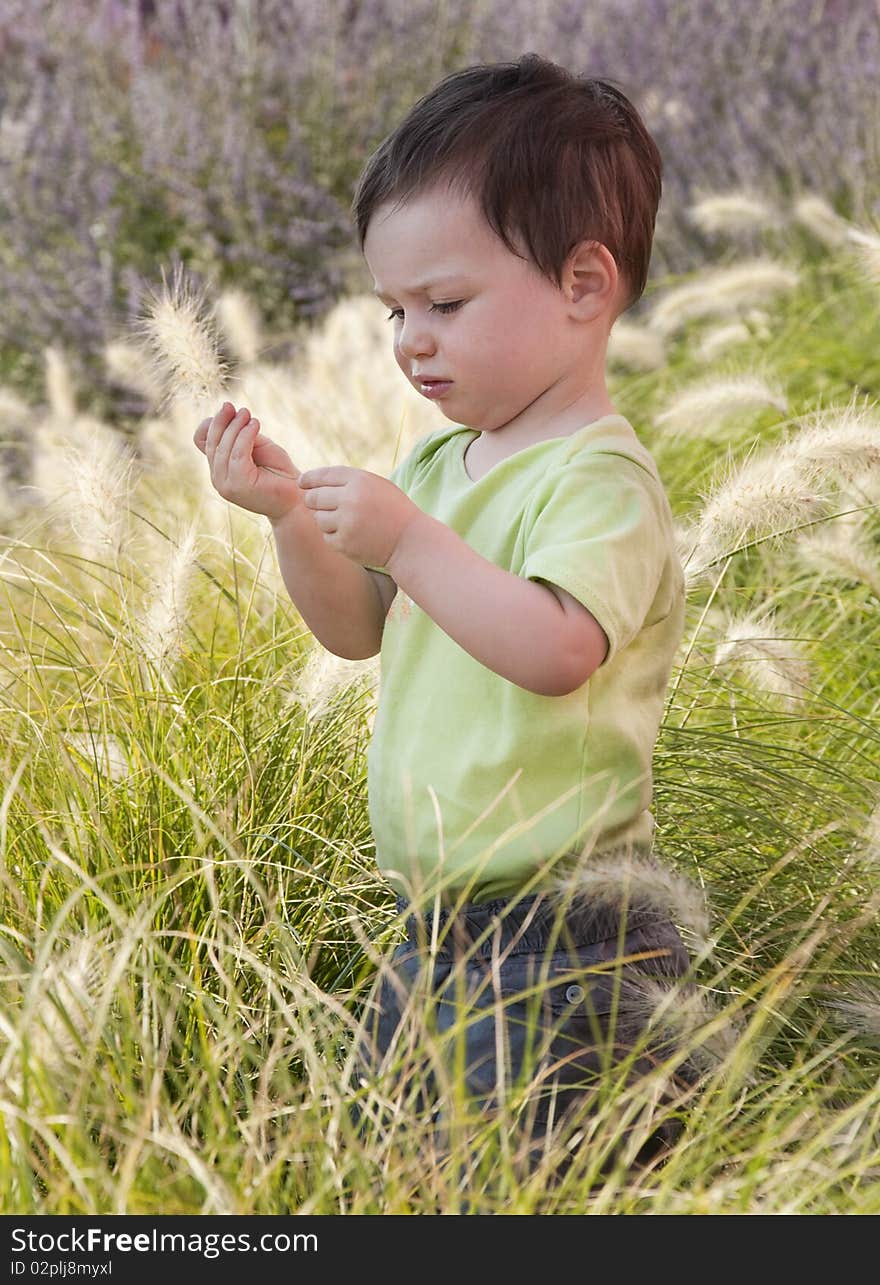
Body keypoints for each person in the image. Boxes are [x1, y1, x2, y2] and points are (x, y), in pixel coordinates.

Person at [194, 53, 701, 1179]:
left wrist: (413, 540)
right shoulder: (439, 457)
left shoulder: (596, 481)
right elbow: (360, 630)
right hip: (437, 918)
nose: (408, 339)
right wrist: (289, 519)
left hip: (565, 929)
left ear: (583, 285)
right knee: (410, 1167)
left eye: (445, 303)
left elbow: (556, 649)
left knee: (537, 1178)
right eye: (393, 309)